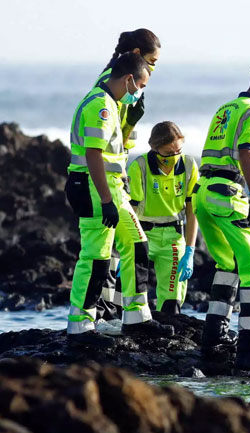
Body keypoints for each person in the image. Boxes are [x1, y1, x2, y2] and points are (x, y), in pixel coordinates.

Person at [64, 52, 172, 343]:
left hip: (113, 188)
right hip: (94, 186)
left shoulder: (112, 104)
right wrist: (107, 200)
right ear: (128, 80)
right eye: (141, 85)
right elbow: (93, 154)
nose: (141, 92)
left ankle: (136, 318)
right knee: (96, 257)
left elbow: (115, 149)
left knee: (137, 243)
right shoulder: (100, 105)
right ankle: (80, 326)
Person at [193, 64, 250, 373]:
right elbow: (247, 150)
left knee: (228, 265)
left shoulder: (226, 108)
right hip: (226, 195)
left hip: (203, 194)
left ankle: (214, 336)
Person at [94, 29, 161, 333]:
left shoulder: (120, 84)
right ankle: (118, 316)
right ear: (135, 56)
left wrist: (132, 121)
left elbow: (122, 141)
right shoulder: (112, 86)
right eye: (152, 61)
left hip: (113, 179)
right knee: (123, 247)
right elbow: (106, 142)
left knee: (114, 249)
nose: (154, 68)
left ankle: (108, 314)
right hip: (107, 183)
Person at [127, 121, 199, 314]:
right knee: (132, 294)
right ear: (154, 148)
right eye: (168, 153)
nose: (175, 157)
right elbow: (130, 209)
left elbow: (192, 211)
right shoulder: (139, 166)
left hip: (173, 238)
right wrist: (125, 247)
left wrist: (190, 250)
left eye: (179, 150)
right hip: (142, 235)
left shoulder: (190, 165)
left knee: (171, 303)